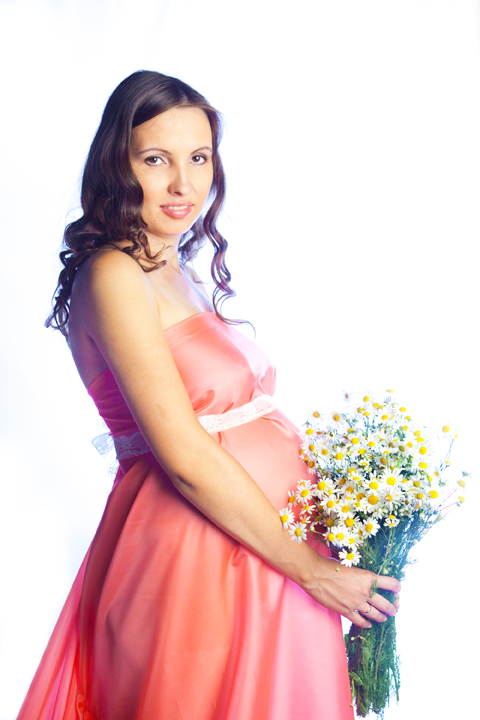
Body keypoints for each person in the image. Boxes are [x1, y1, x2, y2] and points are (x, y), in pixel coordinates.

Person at [17, 70, 401, 720]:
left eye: (198, 158)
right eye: (155, 159)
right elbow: (185, 455)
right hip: (200, 556)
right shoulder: (115, 274)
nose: (183, 183)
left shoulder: (175, 266)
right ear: (116, 165)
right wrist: (312, 571)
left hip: (262, 550)